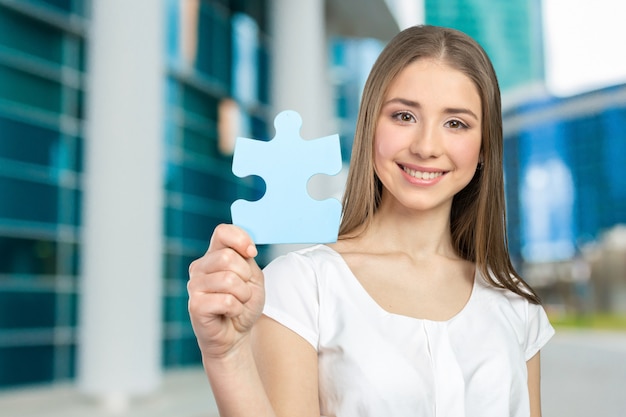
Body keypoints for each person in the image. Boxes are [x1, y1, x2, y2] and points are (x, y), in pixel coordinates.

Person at [188, 25, 555, 417]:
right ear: (370, 126)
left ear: (485, 147)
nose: (426, 147)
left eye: (456, 123)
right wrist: (227, 357)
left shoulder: (514, 302)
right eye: (404, 115)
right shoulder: (301, 286)